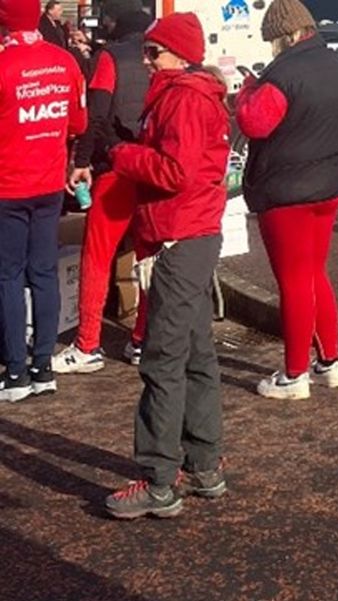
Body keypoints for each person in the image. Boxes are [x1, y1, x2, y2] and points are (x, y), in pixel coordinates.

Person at [103, 11, 231, 519]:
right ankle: (203, 464)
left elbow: (174, 171)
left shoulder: (182, 98)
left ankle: (159, 478)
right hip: (194, 232)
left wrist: (126, 156)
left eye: (154, 52)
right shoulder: (195, 94)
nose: (147, 60)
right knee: (197, 353)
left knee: (164, 358)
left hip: (181, 234)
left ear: (177, 54)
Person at [235, 0, 338, 400]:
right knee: (315, 272)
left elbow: (254, 122)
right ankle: (330, 362)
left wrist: (246, 91)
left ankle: (294, 374)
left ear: (284, 36)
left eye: (272, 40)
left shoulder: (283, 74)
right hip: (331, 184)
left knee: (293, 282)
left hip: (287, 191)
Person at [53, 0, 152, 374]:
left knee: (96, 256)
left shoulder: (109, 57)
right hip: (152, 168)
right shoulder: (159, 55)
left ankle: (88, 343)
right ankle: (141, 338)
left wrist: (81, 161)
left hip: (116, 168)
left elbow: (96, 113)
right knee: (148, 256)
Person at [0, 0, 87, 402]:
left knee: (9, 277)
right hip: (49, 184)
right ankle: (43, 368)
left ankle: (15, 373)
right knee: (44, 273)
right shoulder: (63, 61)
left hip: (8, 187)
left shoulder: (3, 65)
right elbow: (79, 123)